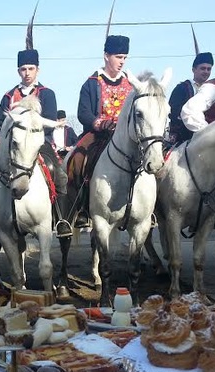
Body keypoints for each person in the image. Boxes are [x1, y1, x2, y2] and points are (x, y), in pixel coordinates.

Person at [0, 8, 71, 240]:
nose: (27, 73)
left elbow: (49, 123)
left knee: (57, 172)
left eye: (31, 69)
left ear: (37, 69)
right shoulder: (9, 95)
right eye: (23, 69)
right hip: (12, 146)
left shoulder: (47, 93)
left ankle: (60, 217)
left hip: (39, 144)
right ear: (18, 71)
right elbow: (1, 120)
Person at [72, 24, 132, 228]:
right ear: (106, 56)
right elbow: (83, 112)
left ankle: (148, 209)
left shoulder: (131, 84)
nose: (122, 62)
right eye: (118, 57)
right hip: (98, 133)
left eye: (124, 57)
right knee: (79, 157)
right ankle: (81, 207)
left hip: (124, 135)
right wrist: (98, 122)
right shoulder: (91, 82)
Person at [168, 27, 213, 146]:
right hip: (183, 138)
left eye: (209, 69)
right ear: (194, 69)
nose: (206, 72)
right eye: (202, 68)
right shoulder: (182, 88)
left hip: (207, 137)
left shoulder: (212, 89)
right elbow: (174, 112)